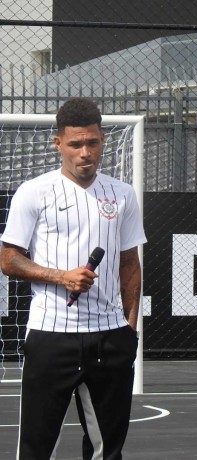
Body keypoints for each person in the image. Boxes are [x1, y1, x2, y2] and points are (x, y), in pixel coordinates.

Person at [0, 97, 147, 459]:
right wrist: (60, 276)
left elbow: (129, 263)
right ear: (58, 144)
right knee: (36, 447)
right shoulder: (33, 192)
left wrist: (129, 328)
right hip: (52, 335)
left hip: (110, 338)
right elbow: (8, 259)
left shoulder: (123, 195)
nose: (85, 152)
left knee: (107, 449)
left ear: (103, 141)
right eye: (75, 144)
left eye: (92, 143)